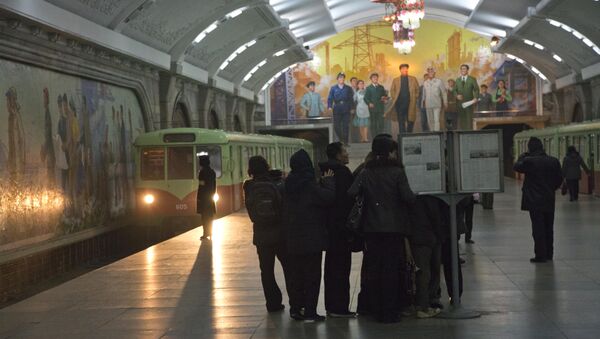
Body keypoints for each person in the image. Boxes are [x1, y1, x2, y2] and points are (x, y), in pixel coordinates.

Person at [348, 134, 416, 323]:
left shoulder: (366, 172)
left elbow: (352, 191)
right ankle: (390, 311)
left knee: (375, 269)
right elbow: (408, 197)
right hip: (394, 228)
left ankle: (376, 309)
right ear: (390, 151)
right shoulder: (397, 172)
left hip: (371, 229)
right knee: (392, 270)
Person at [284, 149, 335, 322]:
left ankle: (296, 309)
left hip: (293, 238)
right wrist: (328, 182)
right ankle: (310, 311)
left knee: (296, 275)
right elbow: (328, 198)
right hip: (312, 238)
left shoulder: (287, 185)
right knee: (312, 276)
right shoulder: (310, 185)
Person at [244, 156, 290, 313]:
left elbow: (250, 210)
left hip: (261, 236)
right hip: (279, 234)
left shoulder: (249, 186)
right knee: (288, 268)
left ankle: (273, 303)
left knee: (267, 271)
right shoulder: (275, 183)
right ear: (266, 166)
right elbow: (283, 206)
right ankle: (296, 302)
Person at [319, 142, 356, 318]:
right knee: (342, 268)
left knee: (331, 267)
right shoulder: (342, 173)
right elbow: (348, 198)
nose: (347, 154)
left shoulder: (324, 171)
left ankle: (331, 305)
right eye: (345, 151)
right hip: (341, 228)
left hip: (328, 227)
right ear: (338, 155)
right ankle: (340, 307)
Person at [513, 137, 563, 263]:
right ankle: (549, 254)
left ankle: (540, 255)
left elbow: (516, 167)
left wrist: (522, 157)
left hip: (533, 200)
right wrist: (551, 189)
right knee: (548, 227)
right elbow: (559, 179)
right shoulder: (554, 161)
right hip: (549, 199)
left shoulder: (529, 161)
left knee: (538, 228)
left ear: (530, 148)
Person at [409, 195, 444, 318]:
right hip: (427, 235)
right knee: (426, 272)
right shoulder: (430, 193)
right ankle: (423, 306)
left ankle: (426, 302)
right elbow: (434, 215)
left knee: (425, 271)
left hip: (419, 234)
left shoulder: (413, 191)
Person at [386, 64, 420, 134]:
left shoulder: (413, 79)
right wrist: (395, 97)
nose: (405, 69)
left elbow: (418, 89)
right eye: (404, 68)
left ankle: (409, 134)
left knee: (410, 120)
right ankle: (402, 136)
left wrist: (415, 97)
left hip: (410, 103)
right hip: (399, 104)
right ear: (400, 70)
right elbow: (392, 90)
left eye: (406, 68)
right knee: (401, 121)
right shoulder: (396, 80)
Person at [327, 73, 354, 145]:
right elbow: (330, 98)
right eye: (340, 78)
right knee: (336, 126)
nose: (341, 79)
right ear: (337, 79)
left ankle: (345, 142)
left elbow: (351, 99)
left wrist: (352, 108)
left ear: (344, 79)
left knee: (346, 126)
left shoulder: (348, 88)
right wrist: (329, 106)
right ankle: (341, 138)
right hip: (337, 109)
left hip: (346, 108)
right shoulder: (333, 88)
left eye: (343, 78)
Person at [454, 64, 479, 130]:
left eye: (464, 69)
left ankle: (469, 134)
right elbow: (454, 90)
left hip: (469, 103)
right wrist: (457, 96)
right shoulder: (457, 80)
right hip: (460, 104)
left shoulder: (472, 79)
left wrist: (476, 98)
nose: (463, 70)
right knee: (462, 120)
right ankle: (462, 134)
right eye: (462, 69)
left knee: (469, 120)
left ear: (467, 70)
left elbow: (476, 89)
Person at [197, 155, 217, 240]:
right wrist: (212, 193)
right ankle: (211, 232)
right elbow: (214, 185)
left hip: (204, 198)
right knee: (210, 216)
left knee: (204, 216)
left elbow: (201, 186)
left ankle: (205, 233)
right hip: (210, 197)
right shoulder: (212, 172)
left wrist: (199, 197)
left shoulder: (202, 172)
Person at [422, 67, 448, 132]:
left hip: (437, 104)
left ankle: (437, 134)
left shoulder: (439, 81)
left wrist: (445, 102)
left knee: (436, 120)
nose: (430, 73)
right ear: (427, 73)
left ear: (434, 73)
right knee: (430, 120)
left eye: (432, 71)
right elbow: (424, 94)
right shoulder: (425, 83)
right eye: (429, 72)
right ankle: (432, 133)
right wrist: (423, 103)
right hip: (428, 104)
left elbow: (444, 93)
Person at [363, 73, 387, 138]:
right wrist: (369, 103)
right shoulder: (368, 88)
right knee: (373, 124)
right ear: (371, 79)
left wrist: (384, 97)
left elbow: (385, 95)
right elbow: (365, 98)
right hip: (372, 109)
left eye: (376, 77)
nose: (375, 78)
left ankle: (380, 137)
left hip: (380, 108)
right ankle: (374, 138)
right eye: (373, 77)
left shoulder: (381, 87)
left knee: (381, 124)